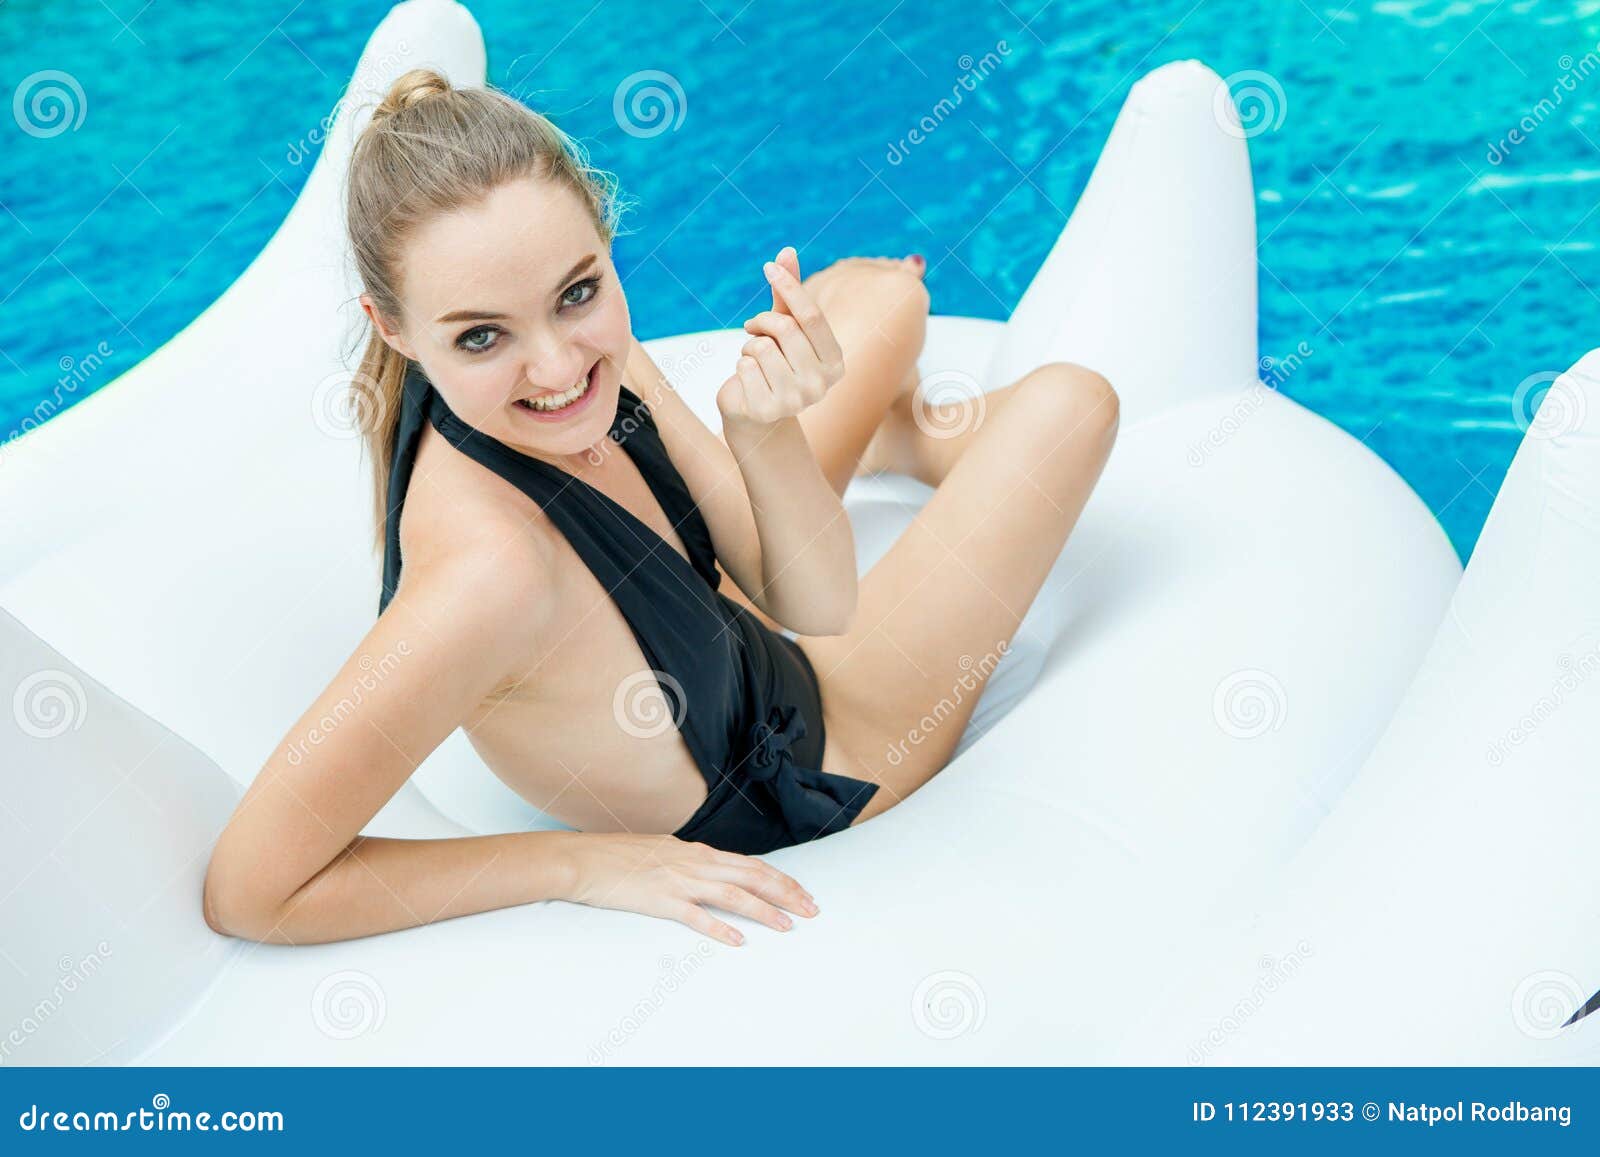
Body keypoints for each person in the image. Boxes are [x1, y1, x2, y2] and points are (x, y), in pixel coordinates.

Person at [203, 69, 1118, 948]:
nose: (560, 369)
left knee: (887, 298)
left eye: (578, 291)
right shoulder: (490, 575)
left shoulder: (604, 367)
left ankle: (904, 441)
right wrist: (580, 864)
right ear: (392, 326)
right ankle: (911, 437)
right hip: (816, 754)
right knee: (1072, 404)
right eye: (481, 336)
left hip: (734, 634)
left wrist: (761, 431)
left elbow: (784, 590)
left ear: (604, 244)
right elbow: (251, 889)